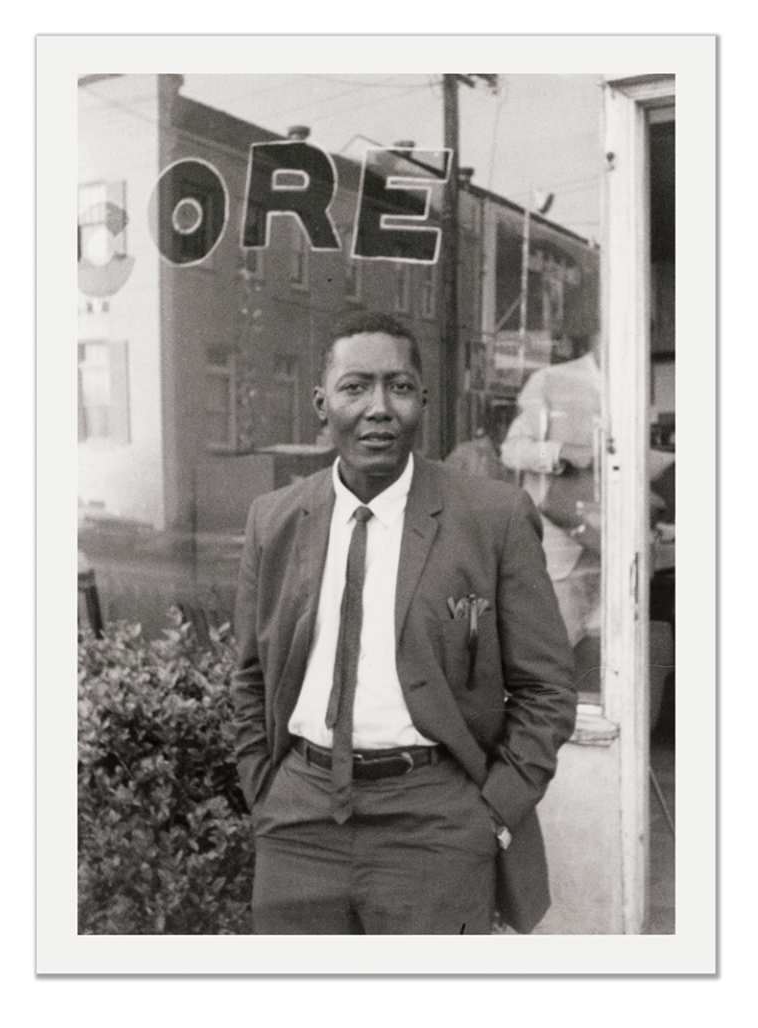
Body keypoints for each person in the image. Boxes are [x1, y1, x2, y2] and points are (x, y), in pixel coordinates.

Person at [230, 311, 577, 935]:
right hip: (299, 821)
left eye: (400, 386)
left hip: (435, 822)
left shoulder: (492, 518)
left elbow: (547, 689)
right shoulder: (274, 520)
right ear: (321, 403)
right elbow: (250, 679)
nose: (379, 408)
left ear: (423, 401)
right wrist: (264, 788)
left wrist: (493, 810)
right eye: (355, 387)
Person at [500, 340, 602, 686]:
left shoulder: (632, 381)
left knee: (600, 665)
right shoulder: (552, 380)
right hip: (560, 552)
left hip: (610, 550)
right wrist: (561, 453)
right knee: (550, 661)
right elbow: (512, 451)